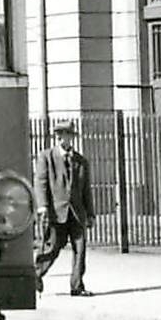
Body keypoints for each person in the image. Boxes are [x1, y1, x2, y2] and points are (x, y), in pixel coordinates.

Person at [33, 120, 94, 296]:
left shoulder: (81, 161)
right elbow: (41, 183)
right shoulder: (47, 157)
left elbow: (86, 191)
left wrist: (90, 214)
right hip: (55, 212)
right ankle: (35, 275)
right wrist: (43, 206)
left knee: (80, 250)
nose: (61, 138)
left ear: (71, 137)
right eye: (58, 134)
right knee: (51, 248)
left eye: (65, 134)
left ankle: (77, 286)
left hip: (77, 213)